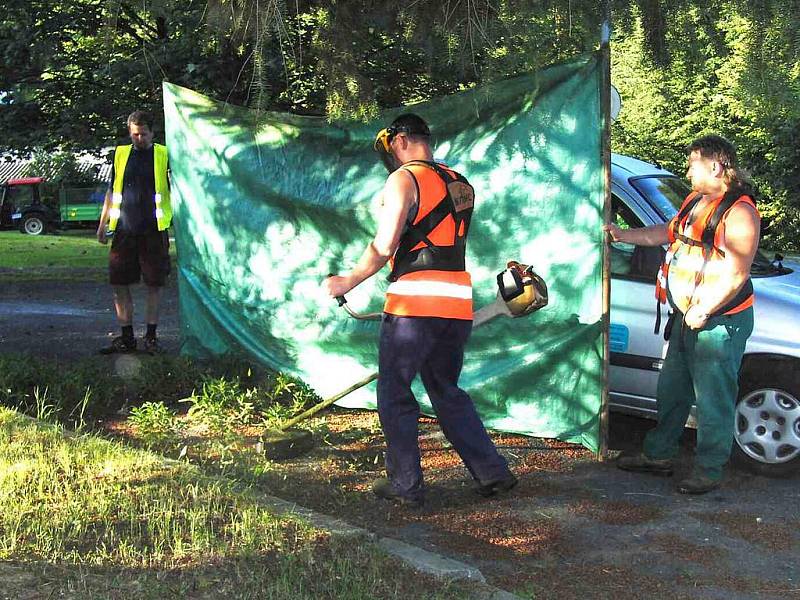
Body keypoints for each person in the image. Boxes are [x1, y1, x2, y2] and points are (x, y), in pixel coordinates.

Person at [324, 114, 517, 508]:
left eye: (389, 151)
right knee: (447, 391)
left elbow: (383, 246)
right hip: (456, 302)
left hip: (415, 303)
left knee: (394, 391)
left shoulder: (403, 179)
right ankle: (492, 473)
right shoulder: (460, 182)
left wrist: (347, 282)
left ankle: (405, 485)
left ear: (398, 141)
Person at [604, 135, 760, 494]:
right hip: (687, 316)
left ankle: (709, 469)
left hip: (717, 321)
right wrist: (623, 235)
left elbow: (738, 272)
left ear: (716, 166)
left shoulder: (740, 212)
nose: (687, 170)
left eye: (693, 163)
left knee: (713, 397)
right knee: (671, 389)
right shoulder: (695, 201)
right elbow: (667, 232)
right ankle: (658, 455)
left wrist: (704, 309)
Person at [97, 110, 172, 355]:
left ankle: (151, 337)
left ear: (153, 132)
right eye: (134, 135)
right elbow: (111, 191)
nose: (139, 139)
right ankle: (127, 337)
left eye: (143, 134)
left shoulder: (164, 154)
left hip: (153, 231)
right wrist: (102, 224)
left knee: (154, 285)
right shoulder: (120, 154)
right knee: (119, 284)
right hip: (124, 231)